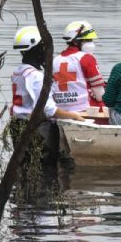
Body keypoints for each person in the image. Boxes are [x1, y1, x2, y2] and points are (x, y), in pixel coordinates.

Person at [10, 26, 84, 166]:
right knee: (44, 171)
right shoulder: (36, 76)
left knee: (24, 167)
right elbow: (49, 110)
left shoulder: (18, 72)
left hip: (17, 126)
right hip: (37, 130)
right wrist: (75, 116)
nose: (47, 52)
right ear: (37, 49)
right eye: (44, 47)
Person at [52, 21, 106, 112]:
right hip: (85, 109)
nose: (91, 43)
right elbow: (100, 95)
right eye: (88, 40)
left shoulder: (55, 60)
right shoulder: (86, 58)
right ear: (77, 41)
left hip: (60, 110)